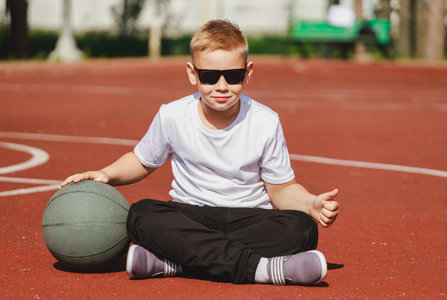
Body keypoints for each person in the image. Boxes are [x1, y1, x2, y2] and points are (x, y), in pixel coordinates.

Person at [60, 19, 340, 285]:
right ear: (192, 74)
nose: (221, 86)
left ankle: (178, 263)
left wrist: (308, 203)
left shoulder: (266, 121)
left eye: (233, 76)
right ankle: (261, 269)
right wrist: (106, 174)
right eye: (208, 76)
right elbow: (141, 160)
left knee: (302, 228)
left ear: (248, 72)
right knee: (140, 215)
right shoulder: (172, 115)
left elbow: (281, 190)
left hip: (250, 218)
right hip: (190, 214)